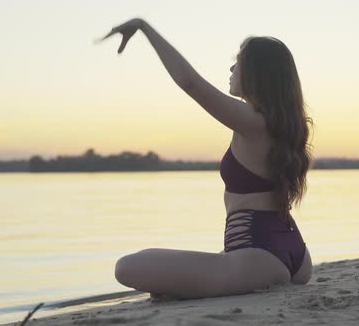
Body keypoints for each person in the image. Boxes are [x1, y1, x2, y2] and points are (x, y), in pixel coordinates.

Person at [97, 18, 314, 300]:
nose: (232, 69)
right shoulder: (286, 125)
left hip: (258, 256)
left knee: (126, 266)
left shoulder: (252, 122)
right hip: (295, 254)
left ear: (257, 73)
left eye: (239, 62)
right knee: (156, 264)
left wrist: (144, 26)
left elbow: (190, 83)